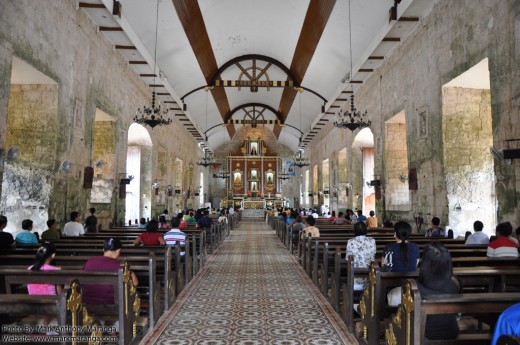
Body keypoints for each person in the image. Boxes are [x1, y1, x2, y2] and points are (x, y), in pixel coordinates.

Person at [418, 242, 461, 340]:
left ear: (425, 262)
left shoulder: (417, 287)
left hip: (426, 335)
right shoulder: (455, 282)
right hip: (452, 332)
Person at [83, 238, 138, 304]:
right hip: (113, 304)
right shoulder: (121, 266)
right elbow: (135, 283)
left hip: (88, 304)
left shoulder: (89, 261)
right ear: (118, 251)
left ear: (103, 249)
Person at [383, 221, 420, 306]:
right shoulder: (415, 247)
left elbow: (384, 266)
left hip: (391, 283)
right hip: (410, 283)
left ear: (395, 233)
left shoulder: (389, 247)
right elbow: (415, 264)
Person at [345, 222, 376, 290]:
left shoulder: (350, 242)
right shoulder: (372, 241)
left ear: (354, 230)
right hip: (370, 276)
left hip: (355, 276)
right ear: (365, 230)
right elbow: (373, 256)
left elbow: (348, 259)